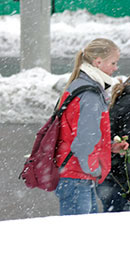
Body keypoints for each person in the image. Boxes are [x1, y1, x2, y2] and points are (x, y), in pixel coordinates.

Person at [54, 38, 126, 215]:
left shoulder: (82, 86)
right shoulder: (90, 94)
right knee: (78, 238)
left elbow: (81, 135)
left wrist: (109, 147)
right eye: (113, 62)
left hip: (74, 174)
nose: (116, 68)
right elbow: (85, 141)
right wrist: (95, 169)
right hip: (77, 176)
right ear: (98, 62)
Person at [96, 77, 130, 212]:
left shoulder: (123, 99)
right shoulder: (127, 104)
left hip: (112, 177)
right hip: (122, 179)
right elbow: (125, 141)